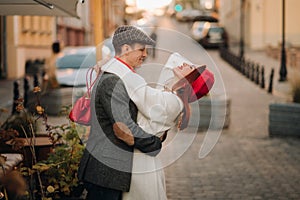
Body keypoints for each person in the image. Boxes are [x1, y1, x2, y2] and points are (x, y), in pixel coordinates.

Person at [77, 25, 184, 200]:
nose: (145, 54)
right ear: (126, 49)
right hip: (107, 173)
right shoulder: (112, 81)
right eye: (141, 49)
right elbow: (124, 129)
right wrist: (155, 144)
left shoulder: (122, 77)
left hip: (112, 171)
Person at [114, 54, 215, 200]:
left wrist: (115, 66)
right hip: (139, 157)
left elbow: (140, 93)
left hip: (141, 162)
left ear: (189, 83)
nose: (185, 64)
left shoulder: (173, 102)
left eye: (190, 68)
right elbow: (173, 59)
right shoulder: (170, 96)